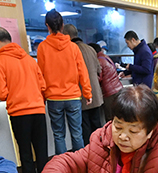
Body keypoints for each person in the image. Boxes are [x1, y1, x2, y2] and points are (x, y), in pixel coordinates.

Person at [0, 26, 49, 173]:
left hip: (19, 113)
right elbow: (43, 86)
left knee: (25, 151)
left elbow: (1, 93)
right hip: (38, 110)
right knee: (42, 150)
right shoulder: (29, 59)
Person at [37, 9, 92, 154]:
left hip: (53, 98)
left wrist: (42, 97)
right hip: (73, 96)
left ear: (47, 26)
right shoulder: (73, 47)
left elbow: (40, 75)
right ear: (62, 25)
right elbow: (82, 71)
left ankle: (63, 169)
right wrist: (87, 92)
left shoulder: (42, 48)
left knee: (58, 135)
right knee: (77, 133)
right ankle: (80, 167)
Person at [64, 24, 105, 146]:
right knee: (97, 126)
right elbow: (99, 69)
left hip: (81, 95)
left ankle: (90, 153)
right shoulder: (91, 49)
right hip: (96, 94)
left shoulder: (70, 50)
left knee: (85, 128)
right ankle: (101, 150)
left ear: (66, 36)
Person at [89, 42, 124, 122]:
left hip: (109, 93)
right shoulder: (105, 57)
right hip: (118, 89)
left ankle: (110, 134)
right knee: (119, 117)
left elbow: (98, 78)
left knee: (110, 118)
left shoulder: (99, 61)